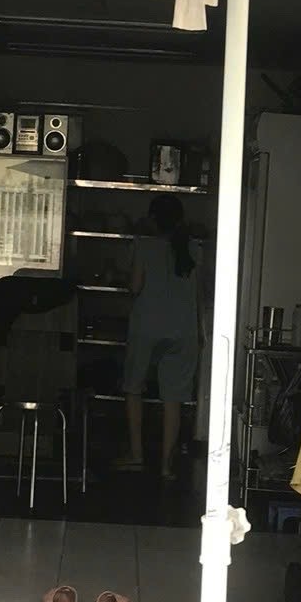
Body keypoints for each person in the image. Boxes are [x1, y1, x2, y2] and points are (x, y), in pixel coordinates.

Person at [116, 194, 201, 480]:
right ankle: (166, 466)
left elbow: (135, 287)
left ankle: (136, 455)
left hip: (147, 326)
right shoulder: (194, 248)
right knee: (173, 397)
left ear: (153, 219)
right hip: (184, 330)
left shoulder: (143, 246)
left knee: (134, 388)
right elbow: (200, 292)